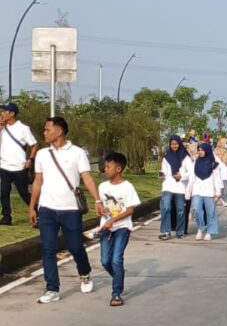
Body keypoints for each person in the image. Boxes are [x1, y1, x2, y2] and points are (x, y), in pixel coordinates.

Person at [29, 116, 101, 304]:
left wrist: (98, 200)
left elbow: (87, 178)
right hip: (47, 209)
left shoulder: (77, 153)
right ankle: (52, 288)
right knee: (48, 249)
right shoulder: (42, 154)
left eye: (47, 130)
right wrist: (32, 206)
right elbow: (38, 181)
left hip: (70, 209)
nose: (44, 133)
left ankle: (85, 273)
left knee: (75, 246)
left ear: (59, 131)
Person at [96, 150, 141, 306]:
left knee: (116, 259)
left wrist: (113, 220)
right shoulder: (102, 187)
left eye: (108, 166)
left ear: (118, 169)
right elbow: (100, 206)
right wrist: (101, 210)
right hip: (106, 228)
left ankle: (116, 293)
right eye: (105, 166)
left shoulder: (127, 187)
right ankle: (118, 277)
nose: (105, 169)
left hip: (122, 227)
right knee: (105, 261)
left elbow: (130, 210)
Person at [0, 101, 38, 225]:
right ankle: (6, 217)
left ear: (12, 113)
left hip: (19, 167)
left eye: (5, 111)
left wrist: (30, 160)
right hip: (4, 166)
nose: (2, 113)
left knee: (24, 194)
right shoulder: (2, 128)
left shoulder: (23, 128)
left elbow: (34, 144)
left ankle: (37, 213)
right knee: (4, 192)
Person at [186, 142, 222, 240]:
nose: (200, 152)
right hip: (197, 190)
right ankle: (201, 228)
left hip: (209, 191)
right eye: (199, 150)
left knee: (211, 212)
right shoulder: (195, 162)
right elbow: (192, 178)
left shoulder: (213, 164)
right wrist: (188, 192)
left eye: (202, 150)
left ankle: (210, 232)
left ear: (207, 151)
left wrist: (218, 192)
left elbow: (216, 178)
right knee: (197, 210)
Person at [159, 136, 191, 240]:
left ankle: (180, 231)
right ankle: (165, 231)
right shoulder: (166, 156)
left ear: (179, 144)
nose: (174, 146)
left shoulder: (185, 157)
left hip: (180, 186)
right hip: (168, 185)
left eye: (176, 144)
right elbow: (164, 170)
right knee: (165, 207)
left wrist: (181, 176)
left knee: (181, 209)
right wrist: (162, 174)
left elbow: (191, 173)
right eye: (172, 144)